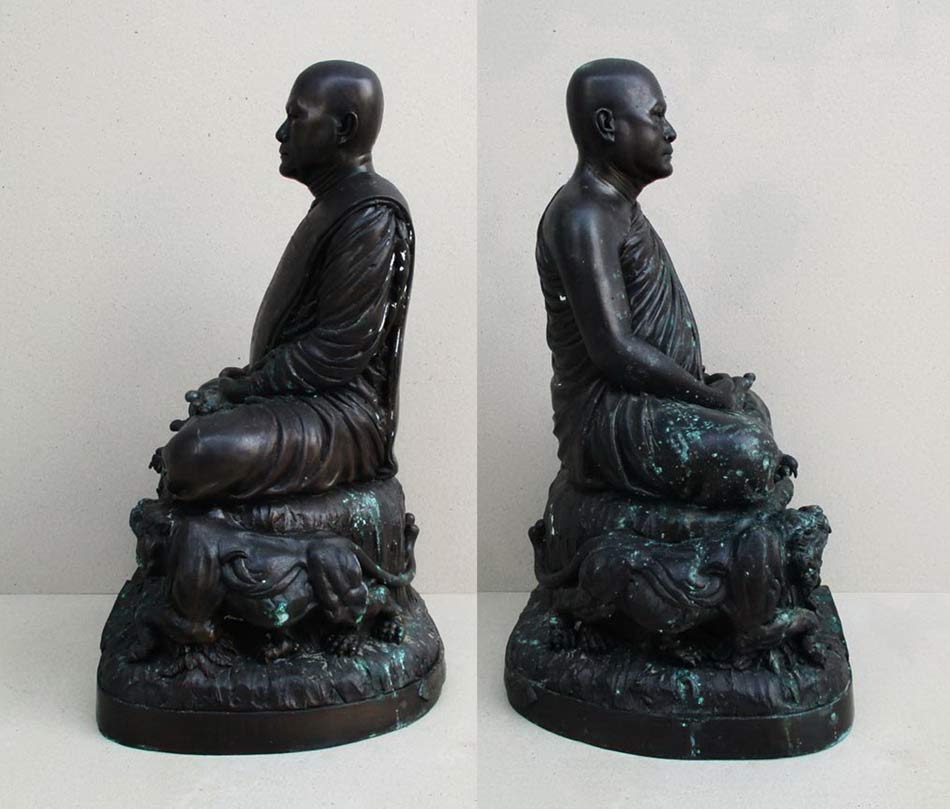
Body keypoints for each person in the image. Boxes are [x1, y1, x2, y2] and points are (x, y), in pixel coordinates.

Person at [537, 59, 795, 508]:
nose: (670, 132)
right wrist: (708, 397)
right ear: (608, 125)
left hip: (653, 397)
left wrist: (711, 394)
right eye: (656, 116)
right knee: (750, 451)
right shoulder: (583, 216)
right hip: (609, 414)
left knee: (753, 408)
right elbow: (614, 350)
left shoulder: (617, 208)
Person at [157, 61, 414, 501]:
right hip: (302, 401)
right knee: (196, 441)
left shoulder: (369, 215)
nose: (281, 133)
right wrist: (243, 386)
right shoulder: (335, 205)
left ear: (343, 128)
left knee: (195, 452)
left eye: (296, 117)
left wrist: (245, 387)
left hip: (343, 418)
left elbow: (337, 350)